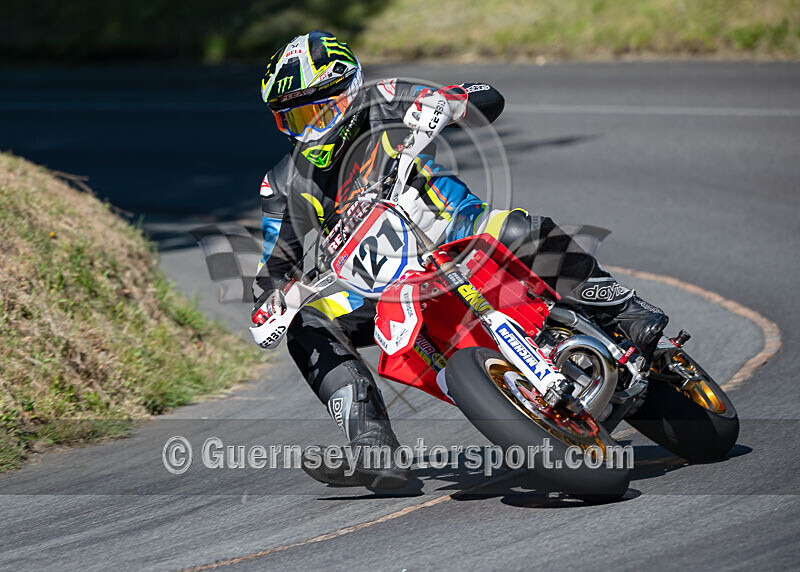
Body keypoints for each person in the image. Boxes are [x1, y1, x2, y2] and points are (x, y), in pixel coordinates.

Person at [252, 31, 668, 488]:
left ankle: (624, 310)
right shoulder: (284, 182)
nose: (310, 128)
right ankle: (372, 444)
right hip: (385, 287)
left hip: (460, 233)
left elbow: (487, 96)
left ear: (348, 90)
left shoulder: (384, 100)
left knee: (517, 227)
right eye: (294, 117)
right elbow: (274, 264)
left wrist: (449, 104)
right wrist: (271, 302)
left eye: (317, 110)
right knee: (306, 323)